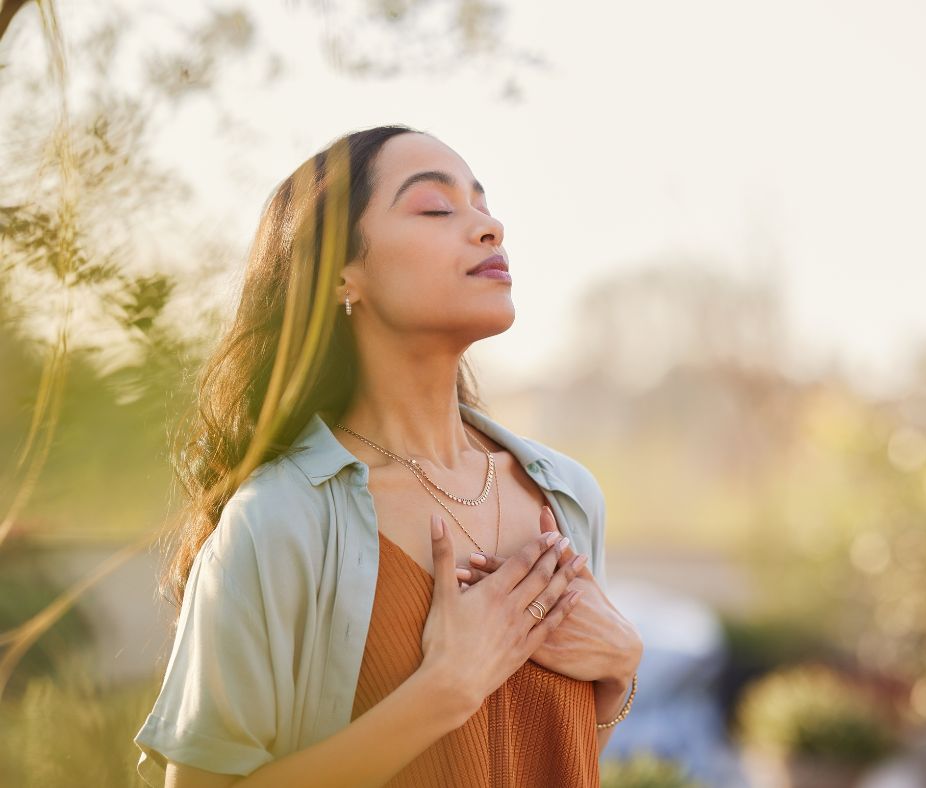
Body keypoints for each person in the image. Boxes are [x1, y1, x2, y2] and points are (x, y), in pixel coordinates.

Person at [133, 124, 643, 788]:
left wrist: (619, 676)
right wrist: (443, 692)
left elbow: (549, 755)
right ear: (344, 275)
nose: (489, 228)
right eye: (436, 208)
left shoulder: (570, 495)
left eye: (483, 205)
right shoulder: (279, 520)